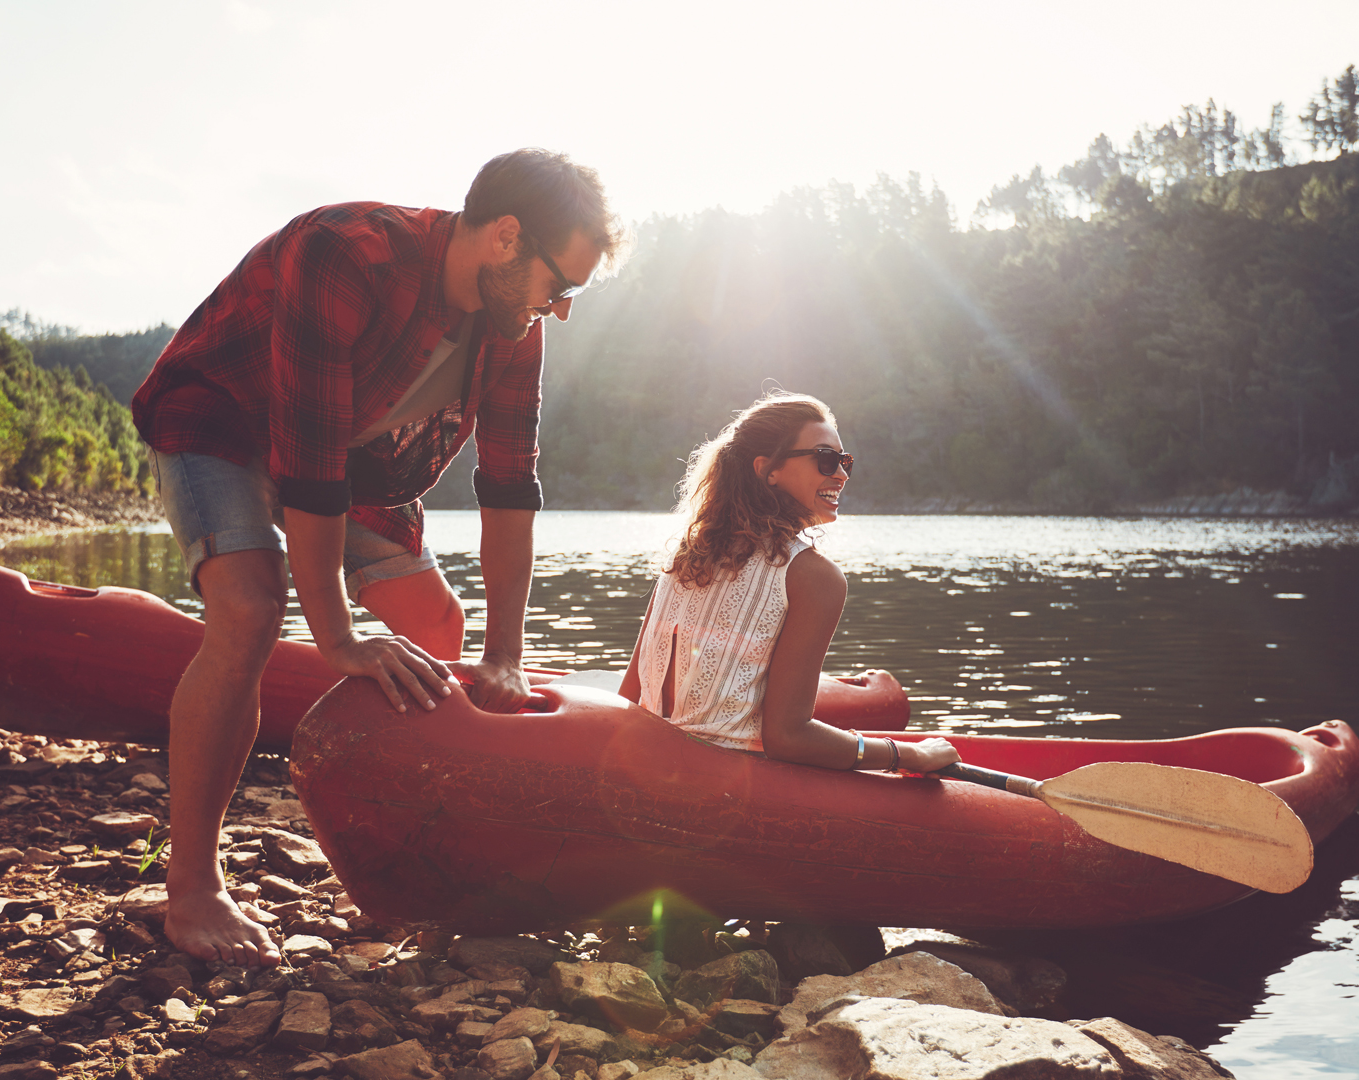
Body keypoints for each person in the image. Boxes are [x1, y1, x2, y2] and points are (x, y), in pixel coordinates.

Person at [129, 149, 624, 967]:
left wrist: (505, 654)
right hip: (220, 420)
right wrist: (339, 639)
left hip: (356, 455)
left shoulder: (514, 329)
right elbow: (306, 463)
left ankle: (412, 849)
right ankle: (193, 888)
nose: (560, 310)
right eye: (559, 286)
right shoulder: (348, 253)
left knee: (438, 623)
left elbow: (509, 489)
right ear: (506, 237)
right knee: (252, 611)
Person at [618, 392, 959, 773]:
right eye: (826, 459)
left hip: (646, 762)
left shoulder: (687, 555)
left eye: (844, 461)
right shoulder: (814, 578)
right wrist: (907, 754)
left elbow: (629, 699)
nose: (842, 474)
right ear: (768, 470)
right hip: (725, 786)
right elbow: (788, 738)